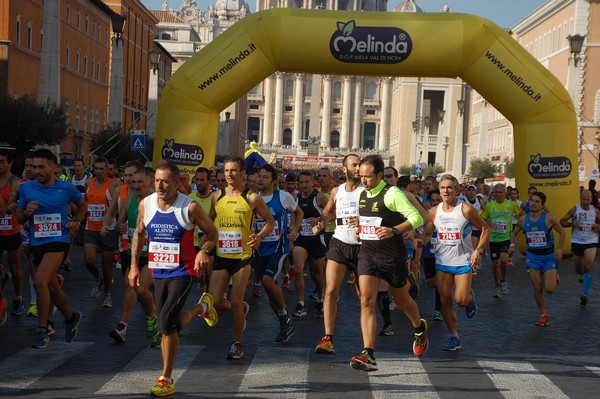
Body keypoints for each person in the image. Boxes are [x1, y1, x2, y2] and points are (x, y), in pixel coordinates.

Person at [129, 162, 218, 397]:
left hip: (184, 271)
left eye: (165, 181)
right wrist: (133, 267)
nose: (160, 185)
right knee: (169, 324)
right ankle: (202, 307)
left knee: (166, 322)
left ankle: (166, 378)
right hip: (158, 271)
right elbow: (138, 235)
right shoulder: (145, 205)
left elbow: (212, 233)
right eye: (157, 180)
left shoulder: (189, 207)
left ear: (177, 182)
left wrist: (204, 251)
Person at [350, 155, 427, 372]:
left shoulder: (392, 194)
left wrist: (394, 230)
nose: (363, 181)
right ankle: (368, 353)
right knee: (366, 300)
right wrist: (360, 229)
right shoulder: (362, 194)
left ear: (380, 175)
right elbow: (368, 221)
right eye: (361, 176)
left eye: (368, 177)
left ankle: (419, 328)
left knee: (402, 301)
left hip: (392, 256)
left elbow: (418, 218)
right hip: (368, 254)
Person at [15, 149, 85, 348]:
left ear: (53, 167)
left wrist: (77, 222)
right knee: (51, 287)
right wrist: (26, 213)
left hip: (58, 241)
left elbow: (82, 206)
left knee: (39, 282)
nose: (36, 170)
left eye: (41, 167)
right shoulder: (26, 188)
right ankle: (71, 317)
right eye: (33, 166)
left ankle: (42, 329)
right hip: (37, 242)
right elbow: (19, 217)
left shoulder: (66, 188)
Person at [208, 155, 275, 360]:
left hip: (243, 257)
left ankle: (236, 344)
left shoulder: (252, 197)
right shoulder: (216, 196)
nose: (230, 174)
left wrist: (259, 237)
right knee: (215, 303)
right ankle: (242, 309)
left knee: (236, 301)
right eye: (227, 171)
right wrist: (205, 239)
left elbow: (270, 222)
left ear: (243, 173)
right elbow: (209, 221)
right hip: (221, 255)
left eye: (234, 170)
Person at [419, 175, 490, 351]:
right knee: (445, 301)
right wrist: (420, 241)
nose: (445, 191)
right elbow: (428, 233)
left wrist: (478, 250)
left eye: (449, 187)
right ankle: (454, 336)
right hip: (442, 261)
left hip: (463, 261)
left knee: (461, 300)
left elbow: (486, 229)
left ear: (457, 190)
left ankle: (469, 298)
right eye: (442, 188)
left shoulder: (465, 209)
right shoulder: (434, 212)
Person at [313, 154, 363, 355]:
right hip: (339, 242)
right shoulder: (336, 191)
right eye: (354, 165)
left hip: (363, 247)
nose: (358, 168)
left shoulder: (367, 192)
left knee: (364, 297)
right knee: (331, 290)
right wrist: (320, 222)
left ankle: (366, 344)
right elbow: (327, 212)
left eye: (360, 164)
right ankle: (328, 338)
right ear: (344, 169)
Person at [109, 167, 160, 347]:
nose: (136, 185)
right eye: (133, 182)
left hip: (154, 253)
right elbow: (120, 222)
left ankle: (151, 319)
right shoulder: (129, 200)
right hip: (134, 252)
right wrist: (119, 227)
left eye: (140, 182)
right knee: (130, 287)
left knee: (140, 288)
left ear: (150, 181)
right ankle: (127, 325)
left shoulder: (159, 200)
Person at [255, 164, 302, 342]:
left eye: (265, 177)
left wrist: (295, 229)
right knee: (269, 289)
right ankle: (285, 322)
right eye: (260, 176)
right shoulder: (254, 198)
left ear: (274, 181)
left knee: (267, 280)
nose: (261, 179)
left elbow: (299, 212)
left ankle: (284, 316)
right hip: (260, 250)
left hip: (278, 247)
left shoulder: (282, 196)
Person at [511, 191, 564, 325]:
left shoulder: (549, 218)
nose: (533, 203)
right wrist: (512, 244)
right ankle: (543, 314)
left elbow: (562, 231)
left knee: (549, 289)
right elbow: (514, 232)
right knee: (537, 286)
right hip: (533, 256)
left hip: (548, 256)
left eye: (537, 202)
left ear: (542, 205)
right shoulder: (523, 219)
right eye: (531, 201)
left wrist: (559, 248)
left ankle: (554, 276)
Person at [84, 157, 122, 308]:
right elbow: (85, 202)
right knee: (89, 260)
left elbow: (120, 207)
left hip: (108, 229)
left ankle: (107, 294)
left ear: (108, 170)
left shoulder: (114, 185)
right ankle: (97, 278)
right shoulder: (89, 183)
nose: (98, 172)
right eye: (96, 168)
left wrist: (112, 210)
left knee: (107, 266)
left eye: (102, 169)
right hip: (91, 227)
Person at [292, 171, 329, 318]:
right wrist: (293, 229)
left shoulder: (319, 197)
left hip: (316, 239)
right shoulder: (296, 197)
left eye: (307, 182)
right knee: (298, 269)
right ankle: (300, 304)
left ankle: (320, 299)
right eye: (301, 182)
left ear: (312, 182)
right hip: (301, 238)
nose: (304, 185)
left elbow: (331, 213)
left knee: (317, 274)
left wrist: (319, 220)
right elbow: (293, 214)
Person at [559, 189, 600, 306]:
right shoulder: (575, 209)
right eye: (583, 199)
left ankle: (584, 294)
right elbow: (562, 221)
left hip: (591, 241)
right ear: (580, 198)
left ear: (591, 199)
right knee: (579, 269)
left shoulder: (595, 211)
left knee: (588, 267)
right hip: (577, 242)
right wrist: (572, 224)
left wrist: (598, 226)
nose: (586, 202)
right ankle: (580, 275)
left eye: (588, 199)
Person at [481, 183, 522, 297]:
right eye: (496, 192)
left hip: (506, 238)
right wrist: (489, 224)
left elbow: (522, 215)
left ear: (505, 194)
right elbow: (482, 219)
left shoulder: (511, 204)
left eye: (500, 192)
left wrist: (519, 226)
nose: (498, 194)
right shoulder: (489, 205)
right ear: (493, 194)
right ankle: (497, 285)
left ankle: (504, 280)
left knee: (504, 259)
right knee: (495, 263)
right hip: (493, 239)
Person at [0, 148, 24, 316]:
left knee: (14, 265)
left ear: (10, 163)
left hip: (12, 230)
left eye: (2, 161)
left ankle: (18, 296)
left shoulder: (16, 182)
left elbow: (13, 207)